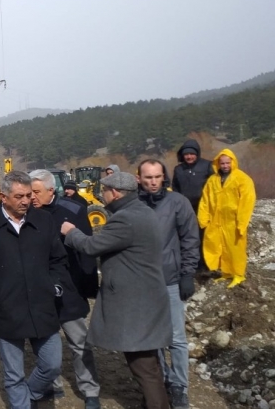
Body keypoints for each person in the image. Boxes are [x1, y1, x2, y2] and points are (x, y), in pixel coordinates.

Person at [60, 172, 171, 409]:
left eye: (105, 190)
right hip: (148, 298)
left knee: (143, 366)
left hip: (136, 303)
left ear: (116, 192)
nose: (102, 195)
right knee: (149, 363)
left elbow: (91, 246)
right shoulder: (143, 211)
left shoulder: (125, 219)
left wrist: (71, 231)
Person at [0, 171, 67, 409]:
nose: (25, 201)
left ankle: (29, 395)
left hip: (43, 307)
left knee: (51, 365)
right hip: (7, 311)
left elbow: (58, 259)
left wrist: (55, 286)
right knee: (13, 376)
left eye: (29, 195)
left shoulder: (43, 221)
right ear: (3, 197)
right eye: (19, 196)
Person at [28, 170, 100, 409]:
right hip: (40, 290)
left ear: (51, 190)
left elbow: (87, 252)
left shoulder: (72, 211)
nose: (32, 197)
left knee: (79, 343)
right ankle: (52, 384)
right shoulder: (25, 213)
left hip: (70, 289)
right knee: (45, 342)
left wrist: (88, 286)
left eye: (36, 192)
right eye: (30, 192)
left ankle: (90, 390)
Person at [137, 160, 199, 409]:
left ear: (164, 177)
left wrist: (188, 274)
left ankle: (180, 388)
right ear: (139, 178)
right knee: (152, 339)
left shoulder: (178, 203)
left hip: (171, 280)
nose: (153, 182)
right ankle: (161, 383)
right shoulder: (134, 205)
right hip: (142, 284)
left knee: (176, 339)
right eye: (148, 177)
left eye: (157, 177)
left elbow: (190, 239)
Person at [198, 149, 256, 288]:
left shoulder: (242, 178)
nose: (225, 166)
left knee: (235, 249)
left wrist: (242, 223)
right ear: (218, 164)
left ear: (233, 162)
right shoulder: (213, 180)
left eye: (227, 163)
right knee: (220, 248)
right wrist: (203, 218)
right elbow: (205, 200)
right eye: (222, 163)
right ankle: (227, 272)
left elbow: (247, 201)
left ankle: (239, 274)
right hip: (217, 221)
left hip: (233, 221)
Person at [171, 139, 214, 213]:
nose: (189, 157)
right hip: (185, 207)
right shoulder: (178, 169)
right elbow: (175, 188)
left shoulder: (207, 166)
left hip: (204, 207)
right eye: (186, 154)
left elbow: (214, 185)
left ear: (197, 154)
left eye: (192, 154)